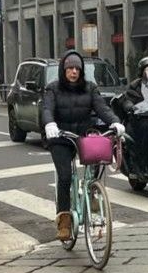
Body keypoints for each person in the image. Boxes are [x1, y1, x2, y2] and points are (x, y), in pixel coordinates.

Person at [42, 50, 124, 241]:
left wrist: (115, 122)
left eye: (77, 69)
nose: (74, 72)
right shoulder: (52, 89)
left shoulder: (90, 88)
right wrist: (50, 124)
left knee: (98, 162)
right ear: (63, 70)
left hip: (83, 135)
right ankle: (64, 221)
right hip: (60, 137)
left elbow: (102, 108)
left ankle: (92, 190)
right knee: (64, 177)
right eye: (70, 68)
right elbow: (46, 109)